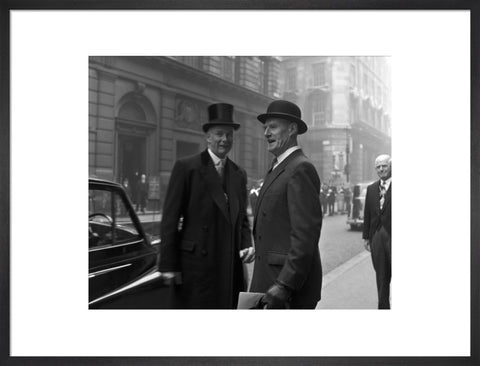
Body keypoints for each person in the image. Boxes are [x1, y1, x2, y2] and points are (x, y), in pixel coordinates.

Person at [159, 103, 255, 309]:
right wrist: (169, 264)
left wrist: (246, 243)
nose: (225, 139)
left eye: (229, 135)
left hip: (229, 263)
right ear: (208, 137)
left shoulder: (238, 173)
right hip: (196, 265)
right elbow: (170, 218)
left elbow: (242, 220)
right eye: (219, 134)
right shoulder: (187, 168)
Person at [249, 100, 323, 309]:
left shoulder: (300, 168)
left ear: (291, 129)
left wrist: (285, 284)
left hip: (286, 288)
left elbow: (305, 236)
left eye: (273, 127)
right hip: (269, 278)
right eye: (265, 128)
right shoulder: (279, 166)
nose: (266, 133)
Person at [363, 154, 392, 309]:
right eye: (378, 167)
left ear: (391, 166)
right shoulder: (372, 188)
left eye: (384, 165)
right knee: (381, 277)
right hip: (377, 237)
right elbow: (367, 213)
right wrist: (366, 237)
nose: (381, 169)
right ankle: (383, 308)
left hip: (393, 235)